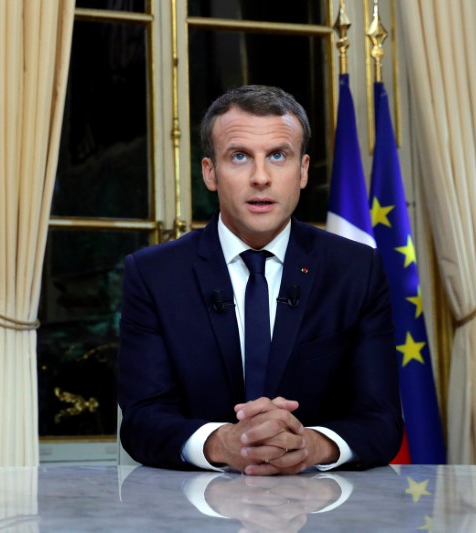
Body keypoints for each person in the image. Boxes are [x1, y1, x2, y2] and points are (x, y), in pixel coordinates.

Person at [117, 85, 402, 475]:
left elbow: (382, 420)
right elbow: (141, 421)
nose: (261, 177)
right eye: (239, 157)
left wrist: (309, 445)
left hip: (325, 511)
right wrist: (224, 443)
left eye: (278, 156)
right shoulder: (153, 275)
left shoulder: (357, 270)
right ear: (210, 173)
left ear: (302, 171)